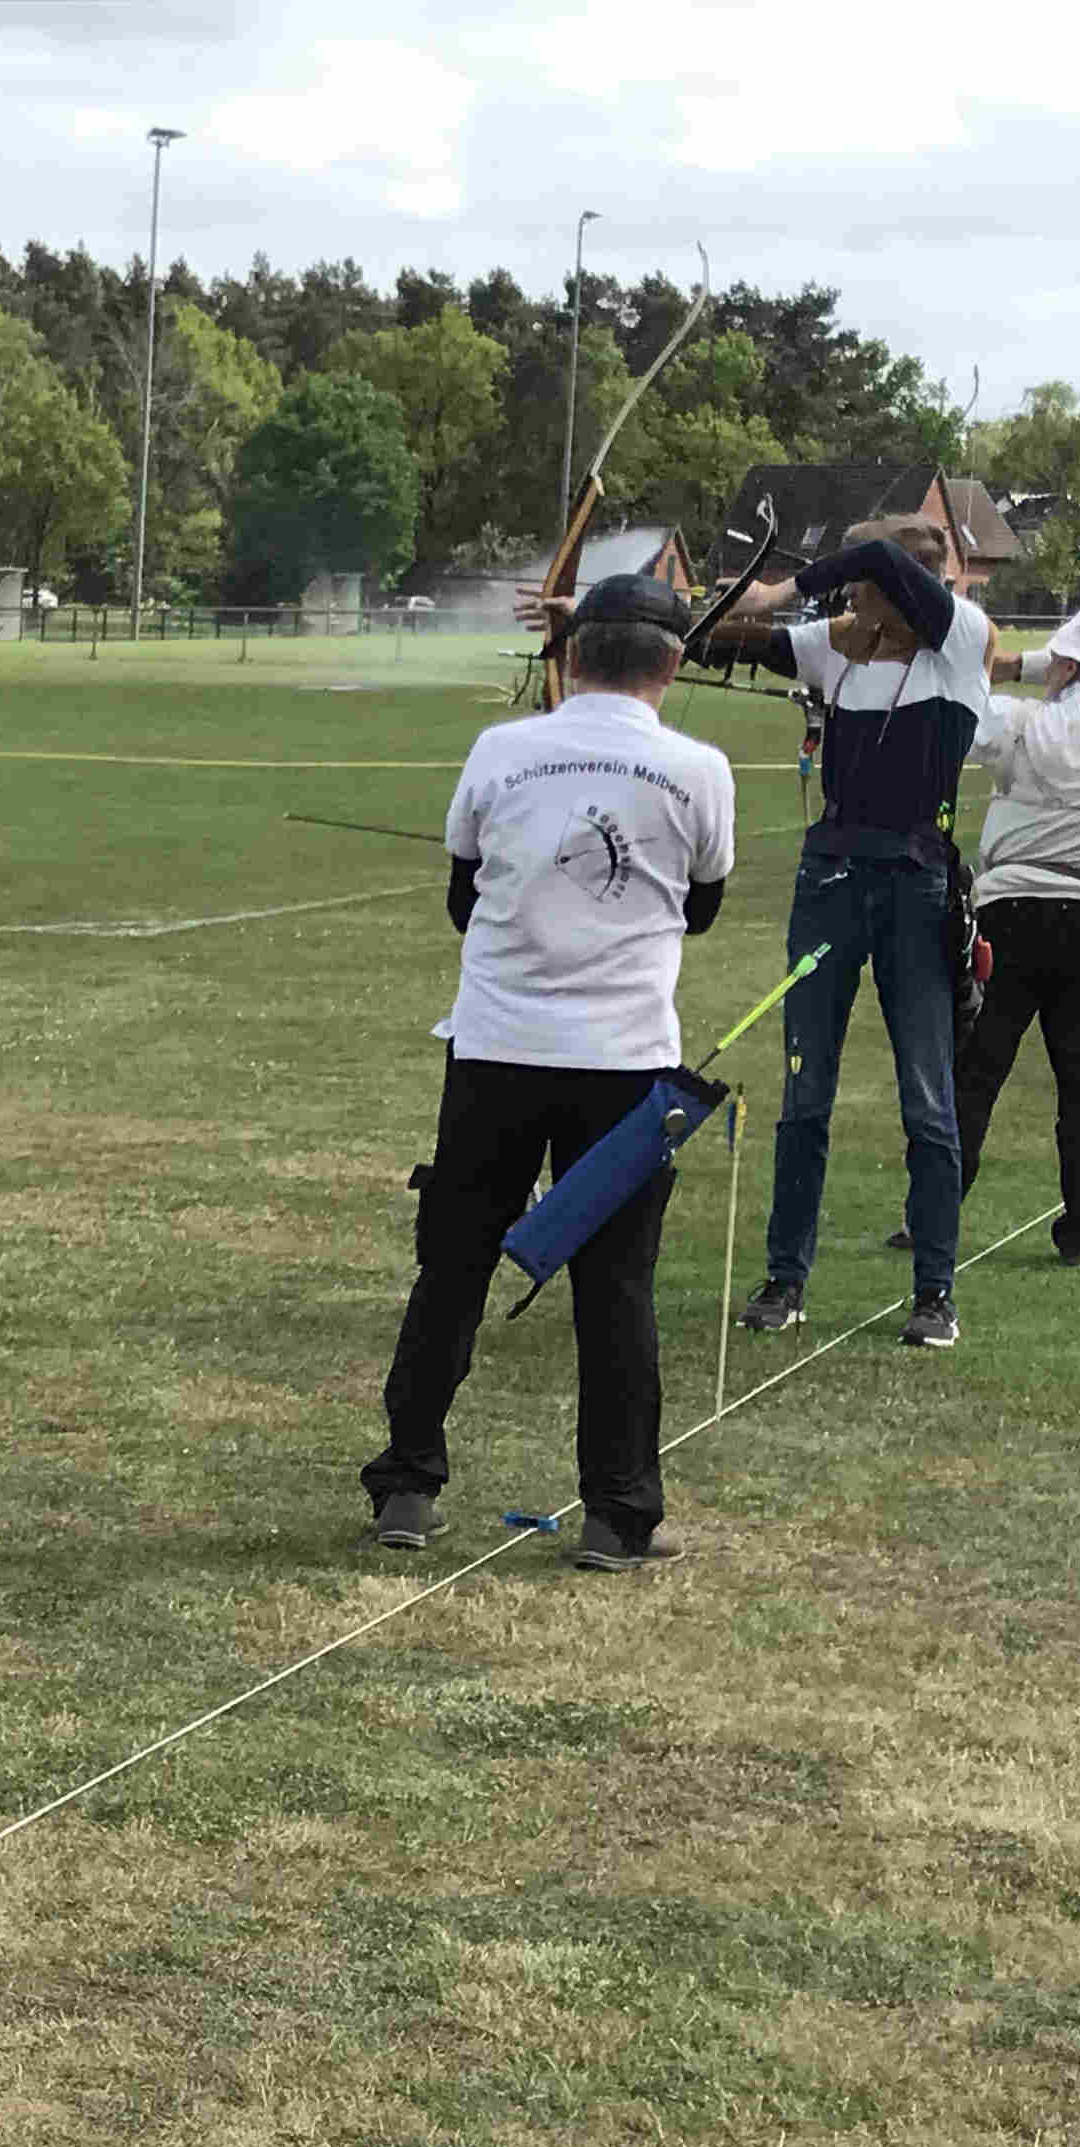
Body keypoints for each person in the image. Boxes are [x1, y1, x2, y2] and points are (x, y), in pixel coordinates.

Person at [361, 575, 740, 1572]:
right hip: (623, 1063)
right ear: (674, 663)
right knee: (616, 1288)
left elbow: (461, 893)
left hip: (493, 1048)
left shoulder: (501, 750)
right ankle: (617, 1515)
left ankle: (405, 1483)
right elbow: (701, 908)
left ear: (571, 659)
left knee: (453, 1265)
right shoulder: (699, 769)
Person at [694, 513, 993, 1348]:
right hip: (828, 883)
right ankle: (786, 1280)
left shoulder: (961, 641)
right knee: (805, 1094)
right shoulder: (839, 648)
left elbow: (871, 559)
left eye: (865, 594)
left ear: (907, 590)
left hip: (916, 889)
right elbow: (726, 643)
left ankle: (935, 1292)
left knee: (928, 1102)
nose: (852, 610)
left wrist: (779, 588)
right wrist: (613, 616)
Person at [951, 605, 1080, 1264]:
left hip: (1012, 913)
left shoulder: (1023, 723)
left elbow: (961, 711)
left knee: (976, 1071)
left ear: (1067, 667)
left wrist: (992, 662)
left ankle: (931, 1210)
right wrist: (1055, 660)